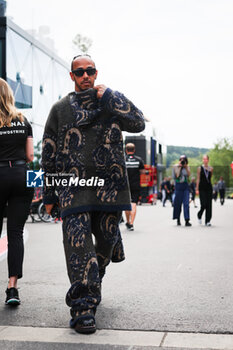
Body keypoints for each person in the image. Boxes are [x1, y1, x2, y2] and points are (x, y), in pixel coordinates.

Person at [42, 54, 145, 334]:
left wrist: (111, 95)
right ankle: (83, 307)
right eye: (79, 72)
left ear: (96, 74)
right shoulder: (60, 109)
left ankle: (92, 278)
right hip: (73, 190)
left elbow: (138, 123)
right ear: (72, 76)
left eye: (90, 71)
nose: (85, 75)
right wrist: (50, 195)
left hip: (109, 190)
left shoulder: (109, 103)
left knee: (106, 245)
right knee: (78, 249)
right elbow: (48, 152)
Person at [0, 78, 34, 305]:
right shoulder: (24, 120)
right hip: (23, 176)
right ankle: (13, 289)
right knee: (15, 233)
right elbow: (31, 156)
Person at [125, 143, 145, 231]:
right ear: (134, 150)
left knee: (126, 204)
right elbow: (143, 172)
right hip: (135, 184)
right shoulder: (139, 160)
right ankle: (132, 223)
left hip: (125, 185)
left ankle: (128, 221)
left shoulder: (123, 159)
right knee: (133, 204)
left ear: (126, 150)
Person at [172, 155, 191, 226]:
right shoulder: (175, 167)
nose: (182, 161)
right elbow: (176, 176)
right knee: (178, 204)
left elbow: (189, 175)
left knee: (186, 204)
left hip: (185, 186)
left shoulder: (187, 167)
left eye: (184, 160)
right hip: (178, 186)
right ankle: (178, 219)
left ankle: (187, 220)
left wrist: (185, 167)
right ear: (179, 160)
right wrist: (180, 167)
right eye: (181, 160)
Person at [196, 155, 213, 226]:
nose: (205, 160)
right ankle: (199, 215)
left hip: (209, 188)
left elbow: (210, 177)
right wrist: (197, 189)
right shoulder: (200, 168)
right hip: (202, 188)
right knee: (203, 204)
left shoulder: (211, 168)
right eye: (204, 159)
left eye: (206, 159)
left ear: (208, 160)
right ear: (202, 160)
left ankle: (208, 221)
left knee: (209, 205)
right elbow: (198, 178)